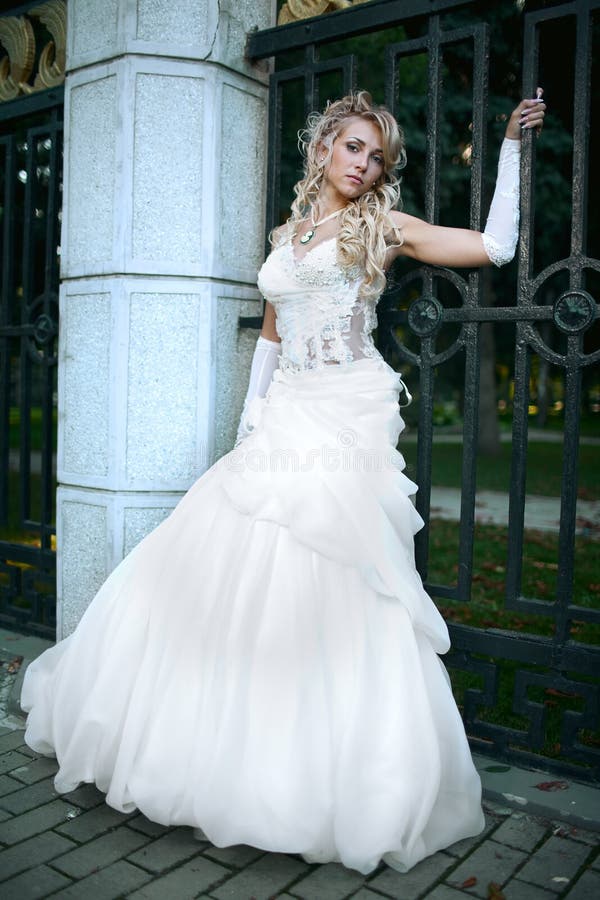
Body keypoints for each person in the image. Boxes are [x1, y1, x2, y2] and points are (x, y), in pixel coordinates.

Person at [21, 89, 545, 876]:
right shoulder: (288, 231)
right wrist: (250, 424)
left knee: (330, 579)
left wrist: (510, 146)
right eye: (353, 147)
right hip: (284, 416)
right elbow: (270, 334)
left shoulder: (383, 227)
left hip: (343, 419)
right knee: (227, 569)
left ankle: (321, 776)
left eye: (376, 155)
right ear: (326, 145)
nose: (364, 164)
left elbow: (495, 247)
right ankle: (213, 752)